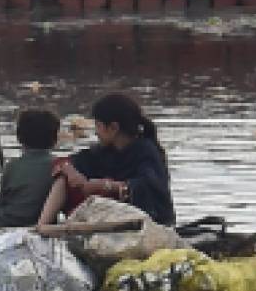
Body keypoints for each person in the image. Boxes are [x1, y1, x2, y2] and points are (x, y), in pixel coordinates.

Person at [35, 93, 174, 226]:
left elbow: (148, 189)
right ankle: (42, 226)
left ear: (113, 128)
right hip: (113, 218)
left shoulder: (147, 152)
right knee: (63, 179)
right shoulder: (104, 152)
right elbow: (65, 162)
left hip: (147, 222)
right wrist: (71, 172)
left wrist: (107, 186)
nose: (96, 132)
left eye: (98, 126)